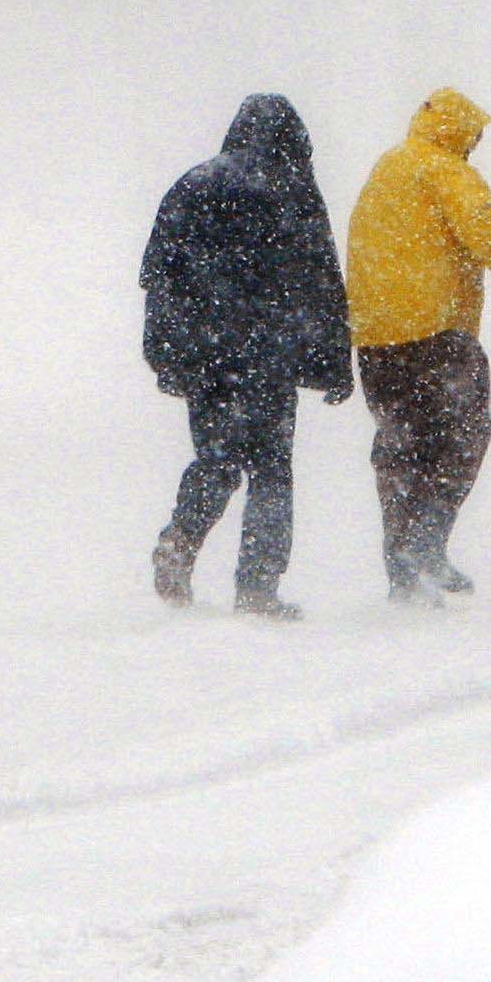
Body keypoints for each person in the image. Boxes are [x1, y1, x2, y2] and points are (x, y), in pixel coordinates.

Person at [142, 93, 355, 617]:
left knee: (215, 458)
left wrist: (167, 356)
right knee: (270, 471)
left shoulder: (192, 184)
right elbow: (319, 283)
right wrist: (331, 364)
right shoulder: (292, 191)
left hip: (205, 356)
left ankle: (181, 540)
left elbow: (158, 279)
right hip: (266, 356)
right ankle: (258, 588)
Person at [343, 88, 491, 604]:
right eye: (475, 135)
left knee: (398, 447)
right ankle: (428, 545)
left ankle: (403, 568)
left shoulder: (387, 169)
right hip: (437, 333)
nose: (476, 145)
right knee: (462, 436)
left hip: (375, 337)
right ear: (459, 131)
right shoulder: (447, 171)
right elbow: (481, 229)